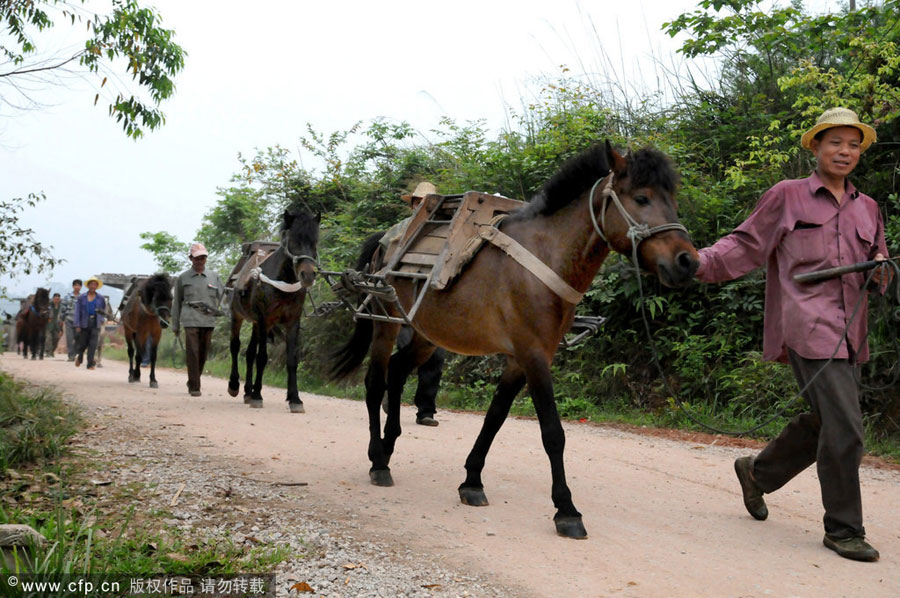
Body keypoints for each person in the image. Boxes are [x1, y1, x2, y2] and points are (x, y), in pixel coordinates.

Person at [695, 107, 890, 562]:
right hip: (807, 324)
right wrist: (698, 262)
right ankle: (844, 530)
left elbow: (878, 261)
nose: (845, 151)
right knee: (846, 427)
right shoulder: (787, 196)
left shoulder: (868, 207)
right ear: (816, 148)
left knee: (828, 420)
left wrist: (882, 270)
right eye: (835, 142)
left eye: (853, 144)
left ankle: (757, 473)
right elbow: (745, 244)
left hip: (850, 330)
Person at [379, 181, 446, 426]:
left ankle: (426, 410)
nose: (421, 207)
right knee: (409, 351)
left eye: (427, 203)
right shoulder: (399, 230)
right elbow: (385, 259)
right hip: (403, 300)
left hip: (431, 304)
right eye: (418, 202)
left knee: (436, 356)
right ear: (413, 205)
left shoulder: (443, 232)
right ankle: (391, 392)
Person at [171, 242, 224, 397]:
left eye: (203, 258)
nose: (200, 261)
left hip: (208, 320)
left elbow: (224, 299)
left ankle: (193, 379)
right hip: (190, 319)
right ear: (191, 259)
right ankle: (195, 386)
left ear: (206, 259)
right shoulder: (183, 278)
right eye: (197, 258)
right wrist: (175, 325)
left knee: (203, 353)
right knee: (193, 352)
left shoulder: (214, 277)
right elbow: (176, 304)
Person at [73, 276, 107, 370]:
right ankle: (79, 357)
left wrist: (101, 320)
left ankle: (90, 364)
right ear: (88, 286)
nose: (93, 286)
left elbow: (103, 310)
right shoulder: (81, 298)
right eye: (91, 284)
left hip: (95, 323)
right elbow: (77, 312)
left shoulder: (100, 298)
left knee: (93, 344)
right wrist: (77, 325)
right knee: (83, 344)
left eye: (95, 284)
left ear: (97, 286)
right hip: (84, 322)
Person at [59, 279, 82, 361]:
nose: (77, 287)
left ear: (81, 287)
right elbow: (63, 309)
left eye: (79, 285)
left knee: (78, 338)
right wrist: (61, 320)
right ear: (73, 286)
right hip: (69, 320)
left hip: (79, 322)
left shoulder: (82, 297)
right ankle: (71, 356)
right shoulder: (67, 297)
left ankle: (75, 353)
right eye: (75, 285)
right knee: (69, 338)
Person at [45, 293, 63, 357]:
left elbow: (62, 317)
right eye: (55, 298)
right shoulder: (48, 305)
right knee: (48, 338)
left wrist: (61, 328)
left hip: (57, 325)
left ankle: (51, 351)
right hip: (49, 324)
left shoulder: (61, 307)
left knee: (56, 338)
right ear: (53, 299)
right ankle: (48, 352)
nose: (56, 300)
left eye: (58, 299)